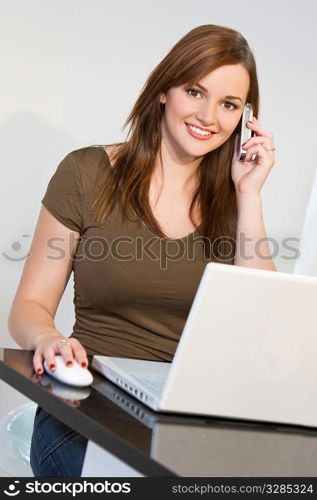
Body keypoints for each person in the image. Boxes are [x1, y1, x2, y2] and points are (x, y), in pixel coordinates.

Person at [7, 23, 276, 476]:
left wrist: (249, 196)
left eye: (228, 104)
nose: (209, 117)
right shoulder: (86, 173)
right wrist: (49, 339)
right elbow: (29, 306)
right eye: (195, 91)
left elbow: (260, 328)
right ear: (164, 91)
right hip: (86, 412)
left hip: (184, 424)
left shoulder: (236, 201)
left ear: (244, 120)